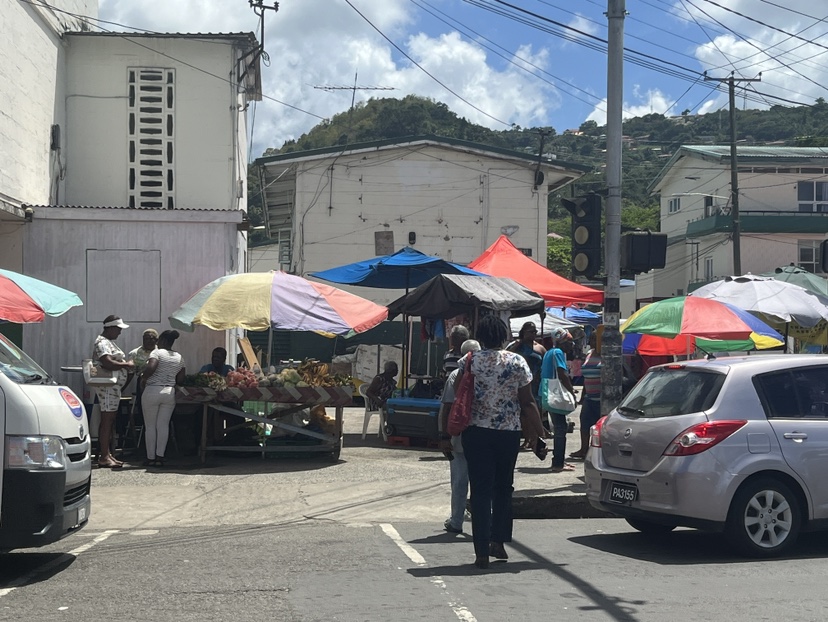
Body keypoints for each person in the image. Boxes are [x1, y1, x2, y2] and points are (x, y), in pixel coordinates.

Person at [456, 315, 546, 570]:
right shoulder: (517, 361)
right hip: (507, 433)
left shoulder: (469, 360)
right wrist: (539, 432)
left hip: (476, 432)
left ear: (481, 337)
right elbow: (527, 401)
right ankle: (499, 541)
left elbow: (459, 395)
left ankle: (481, 552)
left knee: (481, 490)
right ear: (504, 336)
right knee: (504, 488)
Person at [438, 338, 480, 535]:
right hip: (483, 434)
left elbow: (446, 406)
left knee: (459, 480)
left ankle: (456, 521)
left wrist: (443, 435)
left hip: (459, 434)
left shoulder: (456, 375)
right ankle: (483, 520)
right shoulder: (488, 374)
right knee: (482, 481)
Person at [92, 315, 135, 468]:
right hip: (108, 387)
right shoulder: (103, 343)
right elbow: (107, 362)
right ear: (110, 328)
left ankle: (107, 453)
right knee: (107, 420)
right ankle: (104, 456)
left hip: (112, 387)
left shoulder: (107, 342)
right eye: (118, 329)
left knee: (108, 420)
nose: (119, 332)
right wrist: (126, 365)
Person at [140, 329, 186, 467]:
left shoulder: (157, 353)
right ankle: (160, 456)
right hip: (169, 392)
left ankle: (150, 457)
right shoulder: (179, 357)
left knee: (150, 426)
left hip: (152, 390)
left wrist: (144, 378)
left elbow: (152, 366)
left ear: (163, 341)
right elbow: (181, 378)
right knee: (163, 425)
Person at [539, 327, 578, 473]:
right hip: (555, 393)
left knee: (558, 427)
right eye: (569, 340)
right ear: (562, 341)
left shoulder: (549, 352)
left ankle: (559, 461)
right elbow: (562, 373)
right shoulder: (558, 353)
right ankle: (558, 463)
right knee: (560, 429)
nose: (571, 344)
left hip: (547, 392)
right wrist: (571, 392)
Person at [570, 328, 602, 460]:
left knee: (599, 427)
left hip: (602, 398)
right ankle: (584, 449)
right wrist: (583, 396)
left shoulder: (607, 355)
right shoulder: (589, 353)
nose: (594, 341)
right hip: (589, 396)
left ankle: (597, 451)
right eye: (592, 339)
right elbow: (586, 379)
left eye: (596, 339)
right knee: (584, 423)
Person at [507, 321, 546, 408]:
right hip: (519, 382)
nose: (534, 334)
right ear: (524, 332)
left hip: (536, 382)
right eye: (531, 332)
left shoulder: (539, 348)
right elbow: (506, 357)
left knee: (535, 406)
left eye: (535, 332)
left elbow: (546, 364)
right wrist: (516, 346)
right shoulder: (517, 345)